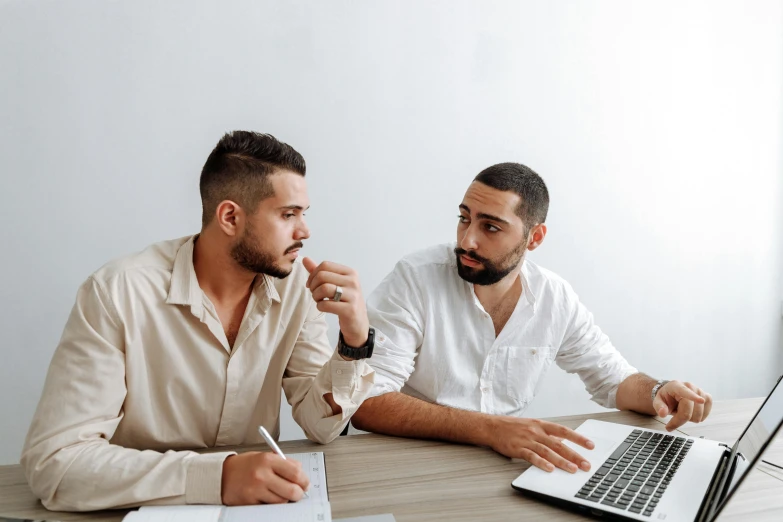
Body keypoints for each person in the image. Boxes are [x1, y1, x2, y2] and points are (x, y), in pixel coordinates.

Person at [21, 131, 376, 511]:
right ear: (230, 217)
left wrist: (354, 343)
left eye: (304, 214)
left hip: (255, 512)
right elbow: (55, 464)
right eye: (288, 214)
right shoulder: (116, 294)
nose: (304, 231)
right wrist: (217, 477)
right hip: (137, 511)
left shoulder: (295, 291)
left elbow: (319, 425)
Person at [351, 162, 712, 475]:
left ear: (534, 237)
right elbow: (365, 403)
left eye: (490, 227)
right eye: (464, 219)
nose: (468, 240)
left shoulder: (555, 298)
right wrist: (492, 430)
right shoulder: (415, 279)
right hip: (407, 464)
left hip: (501, 468)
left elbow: (613, 379)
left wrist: (657, 391)